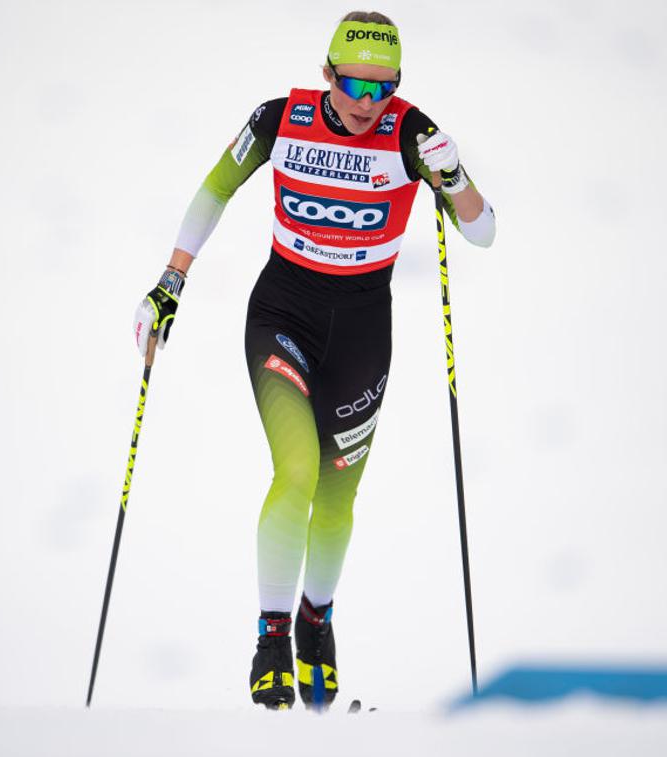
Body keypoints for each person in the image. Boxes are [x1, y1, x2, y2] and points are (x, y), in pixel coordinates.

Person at [131, 11, 496, 710]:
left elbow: (480, 231)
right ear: (328, 73)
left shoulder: (413, 133)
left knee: (336, 501)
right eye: (355, 84)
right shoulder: (280, 118)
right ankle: (271, 637)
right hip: (283, 318)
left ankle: (314, 622)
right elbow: (214, 190)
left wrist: (451, 177)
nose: (367, 103)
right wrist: (169, 283)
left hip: (362, 332)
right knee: (294, 471)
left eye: (383, 88)